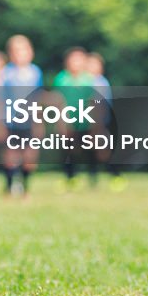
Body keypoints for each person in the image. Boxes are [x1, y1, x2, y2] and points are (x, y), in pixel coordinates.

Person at [0, 35, 43, 196]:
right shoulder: (5, 73)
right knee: (11, 155)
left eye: (24, 50)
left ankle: (25, 186)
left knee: (29, 156)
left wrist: (39, 122)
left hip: (29, 121)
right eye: (16, 51)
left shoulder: (35, 72)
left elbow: (37, 99)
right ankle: (9, 186)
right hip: (10, 121)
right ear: (10, 54)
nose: (20, 54)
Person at [53, 47, 98, 190]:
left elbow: (93, 101)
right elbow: (58, 101)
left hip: (85, 121)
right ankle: (70, 177)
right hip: (68, 121)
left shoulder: (89, 80)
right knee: (69, 151)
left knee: (90, 148)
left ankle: (93, 177)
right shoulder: (61, 79)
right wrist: (61, 121)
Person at [86, 52, 126, 192]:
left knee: (104, 152)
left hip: (102, 122)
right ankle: (93, 179)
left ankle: (115, 175)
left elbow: (99, 103)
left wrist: (98, 124)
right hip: (89, 122)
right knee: (91, 152)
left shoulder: (100, 82)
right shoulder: (86, 82)